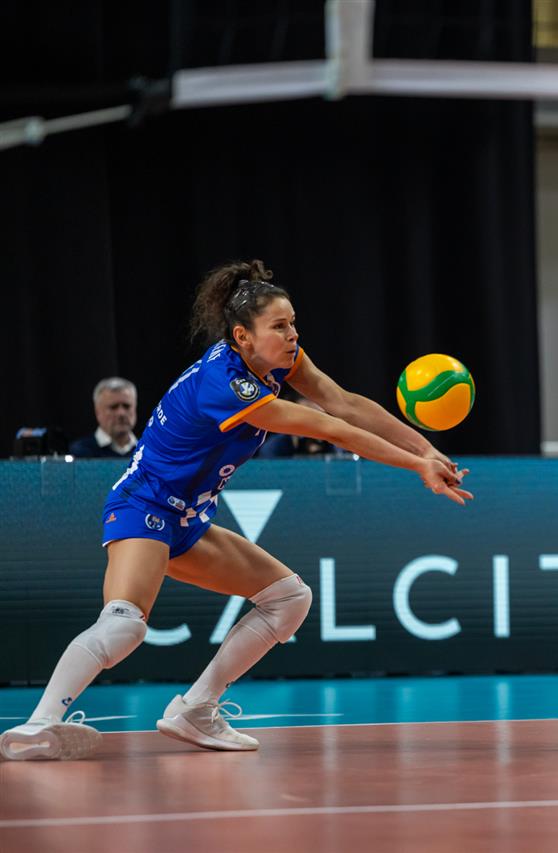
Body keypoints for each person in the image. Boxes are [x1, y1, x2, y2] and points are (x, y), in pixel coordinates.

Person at [0, 259, 471, 761]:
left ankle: (195, 708)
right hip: (144, 505)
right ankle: (38, 725)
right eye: (280, 326)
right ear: (243, 336)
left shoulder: (277, 359)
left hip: (189, 519)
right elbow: (331, 428)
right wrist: (415, 466)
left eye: (293, 323)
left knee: (289, 599)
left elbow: (345, 403)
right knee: (124, 625)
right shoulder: (225, 384)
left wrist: (427, 451)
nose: (293, 335)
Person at [68, 377, 139, 458]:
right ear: (97, 412)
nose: (121, 413)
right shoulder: (79, 453)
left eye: (127, 406)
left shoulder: (148, 450)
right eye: (113, 407)